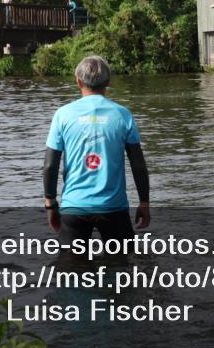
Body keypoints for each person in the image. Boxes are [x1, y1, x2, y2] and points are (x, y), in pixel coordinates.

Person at [43, 55, 151, 253]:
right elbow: (137, 164)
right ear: (108, 82)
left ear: (78, 81)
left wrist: (50, 205)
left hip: (74, 207)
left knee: (72, 273)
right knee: (122, 271)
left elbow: (50, 165)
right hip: (113, 208)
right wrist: (144, 202)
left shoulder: (62, 114)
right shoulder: (123, 114)